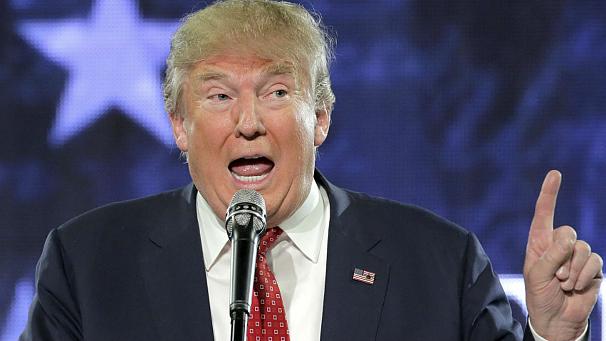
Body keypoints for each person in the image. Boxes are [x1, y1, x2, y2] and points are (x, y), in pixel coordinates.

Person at [20, 1, 603, 340]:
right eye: (218, 97)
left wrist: (552, 339)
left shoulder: (441, 262)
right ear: (178, 124)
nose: (248, 122)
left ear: (320, 116)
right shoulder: (88, 262)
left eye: (276, 92)